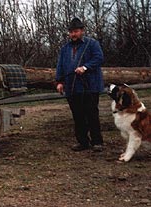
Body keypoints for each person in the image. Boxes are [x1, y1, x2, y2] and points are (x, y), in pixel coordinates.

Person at [55, 17, 105, 152]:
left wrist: (85, 67)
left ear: (82, 31)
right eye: (71, 32)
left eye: (76, 31)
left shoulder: (92, 44)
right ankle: (82, 142)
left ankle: (97, 142)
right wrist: (59, 81)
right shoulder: (65, 48)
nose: (73, 34)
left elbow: (99, 58)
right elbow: (60, 65)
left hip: (90, 86)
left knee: (91, 114)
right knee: (77, 116)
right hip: (72, 87)